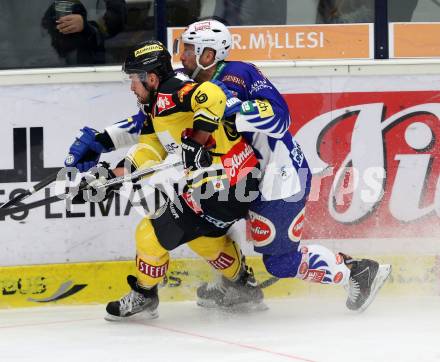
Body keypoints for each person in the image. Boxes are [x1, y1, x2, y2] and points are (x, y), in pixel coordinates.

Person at [174, 19, 392, 312]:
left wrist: (230, 108)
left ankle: (357, 272)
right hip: (241, 175)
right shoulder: (189, 82)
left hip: (278, 179)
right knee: (205, 218)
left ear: (209, 55)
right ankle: (236, 284)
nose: (182, 56)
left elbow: (280, 118)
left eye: (189, 49)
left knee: (280, 262)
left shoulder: (240, 73)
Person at [64, 40, 264, 320]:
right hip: (231, 186)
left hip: (224, 186)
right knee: (203, 238)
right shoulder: (156, 104)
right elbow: (149, 151)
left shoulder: (172, 90)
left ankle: (145, 295)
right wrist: (108, 177)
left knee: (150, 235)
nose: (131, 86)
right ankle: (243, 286)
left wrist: (197, 140)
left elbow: (213, 94)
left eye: (134, 79)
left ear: (152, 78)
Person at [42, 0, 126, 65]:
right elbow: (44, 22)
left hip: (96, 60)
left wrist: (86, 26)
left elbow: (116, 21)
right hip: (55, 60)